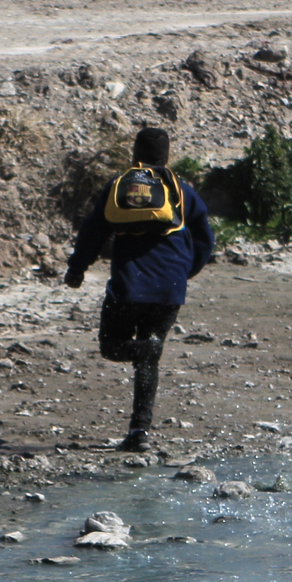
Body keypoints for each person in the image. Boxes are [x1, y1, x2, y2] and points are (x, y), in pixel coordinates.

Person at [65, 127, 215, 452]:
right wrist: (187, 272)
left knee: (111, 346)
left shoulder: (119, 190)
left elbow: (92, 233)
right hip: (170, 289)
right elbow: (206, 239)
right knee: (150, 357)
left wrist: (77, 269)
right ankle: (139, 432)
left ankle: (144, 353)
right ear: (167, 156)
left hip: (128, 286)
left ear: (134, 155)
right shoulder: (182, 192)